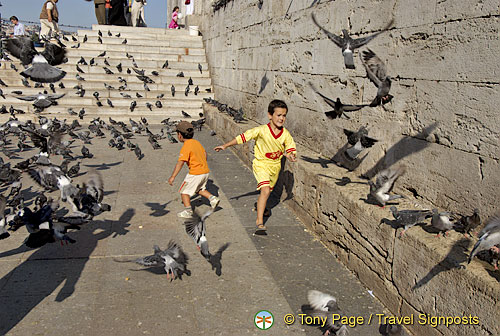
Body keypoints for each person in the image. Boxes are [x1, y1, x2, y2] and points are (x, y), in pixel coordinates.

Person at [214, 100, 297, 234]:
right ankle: (259, 221)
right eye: (279, 115)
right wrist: (225, 145)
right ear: (270, 115)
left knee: (267, 192)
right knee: (265, 191)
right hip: (261, 164)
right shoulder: (261, 130)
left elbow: (290, 146)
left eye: (284, 115)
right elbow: (243, 137)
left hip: (275, 167)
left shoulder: (285, 134)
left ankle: (263, 209)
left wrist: (291, 154)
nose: (282, 118)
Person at [168, 121, 220, 218]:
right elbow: (205, 154)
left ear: (180, 135)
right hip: (205, 171)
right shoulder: (197, 142)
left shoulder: (186, 147)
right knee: (199, 189)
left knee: (184, 192)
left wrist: (173, 176)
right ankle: (212, 198)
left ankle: (188, 211)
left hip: (195, 173)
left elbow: (180, 163)